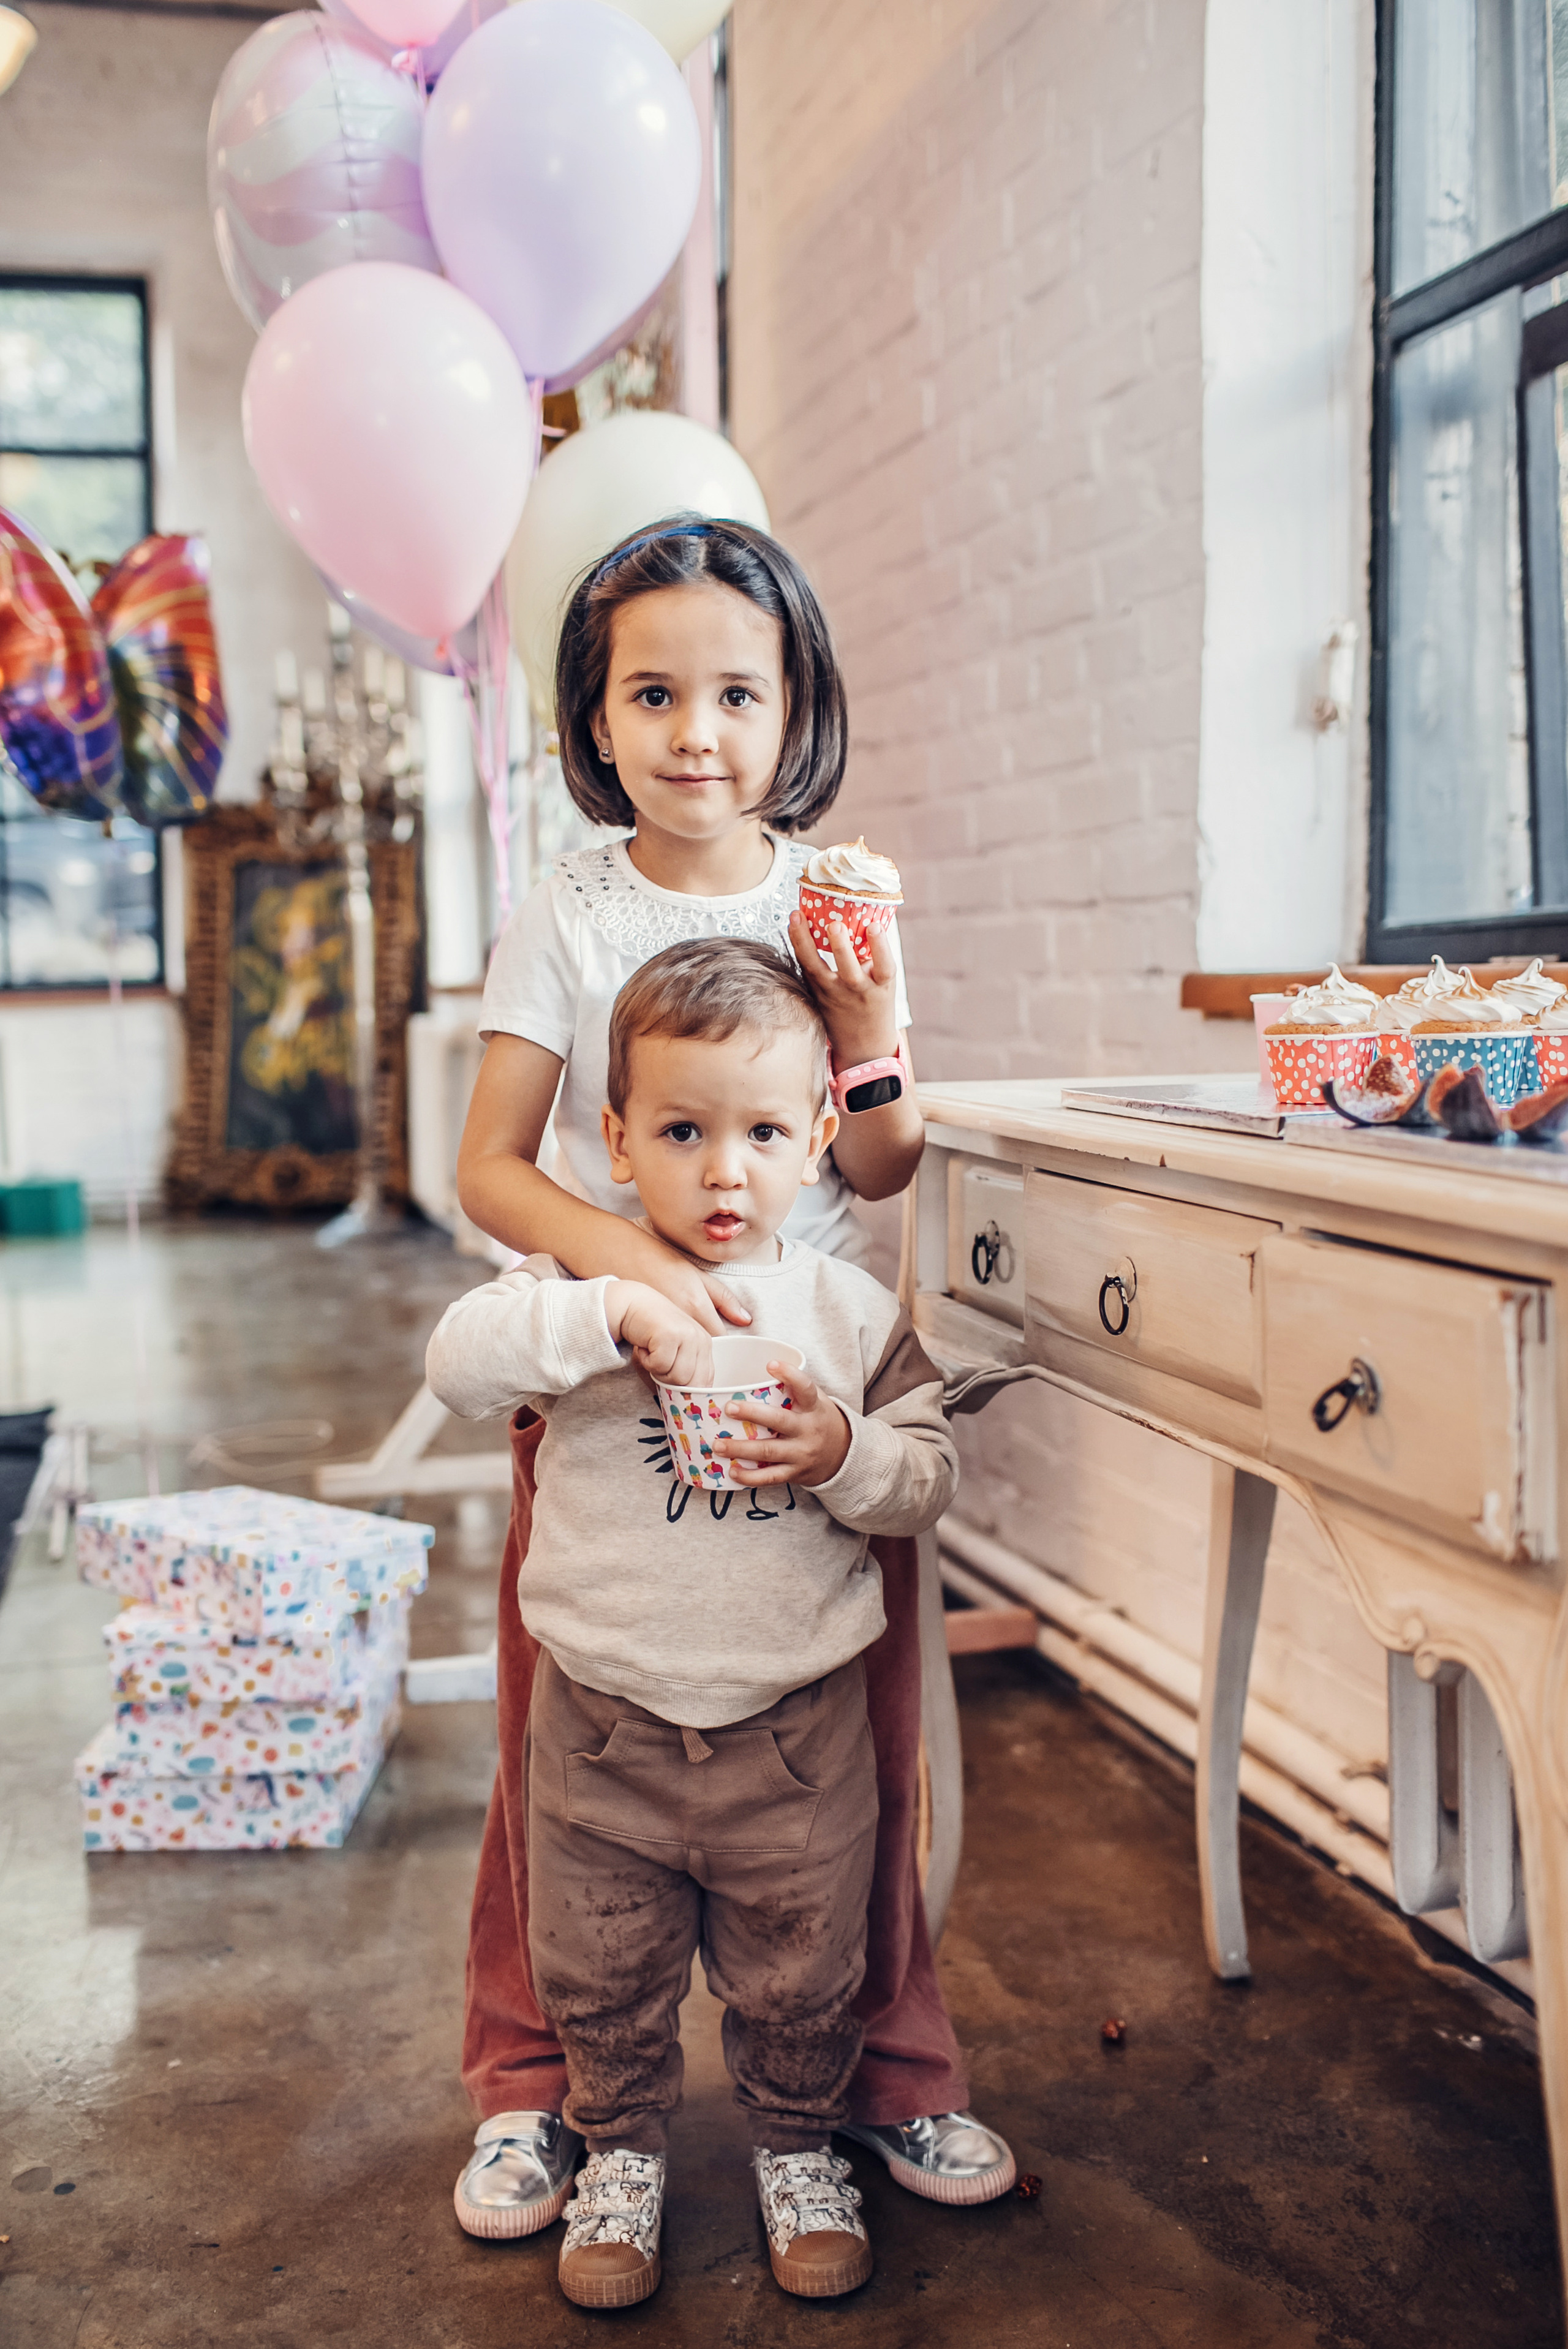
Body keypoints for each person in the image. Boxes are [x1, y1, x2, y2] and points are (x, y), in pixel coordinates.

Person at [448, 515, 1016, 2251]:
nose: (697, 729)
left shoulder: (828, 891)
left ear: (797, 706)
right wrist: (655, 1296)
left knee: (861, 1749)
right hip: (617, 1381)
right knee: (559, 1752)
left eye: (737, 692)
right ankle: (532, 2085)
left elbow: (893, 1155)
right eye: (654, 691)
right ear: (596, 716)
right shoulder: (573, 903)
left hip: (817, 1385)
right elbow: (494, 1167)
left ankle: (884, 2075)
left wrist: (881, 1004)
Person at [428, 939, 962, 2306]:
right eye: (681, 1131)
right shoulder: (569, 1302)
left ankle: (795, 2148)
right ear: (615, 1141)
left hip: (794, 1734)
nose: (724, 1171)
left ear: (819, 1137)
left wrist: (839, 1448)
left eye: (763, 1132)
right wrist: (613, 1309)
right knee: (598, 1966)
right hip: (602, 1727)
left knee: (803, 1966)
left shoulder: (843, 1311)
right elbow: (457, 1363)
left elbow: (925, 1477)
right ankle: (618, 2153)